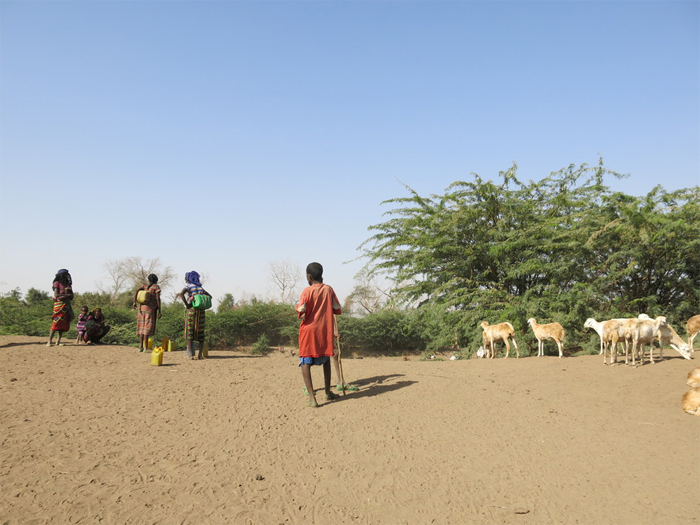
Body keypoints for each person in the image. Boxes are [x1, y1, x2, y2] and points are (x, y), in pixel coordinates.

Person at [296, 262, 341, 407]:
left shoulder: (307, 292)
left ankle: (312, 398)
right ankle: (328, 392)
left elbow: (301, 310)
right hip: (324, 331)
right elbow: (337, 307)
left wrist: (298, 309)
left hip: (308, 332)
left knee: (305, 362)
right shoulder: (329, 290)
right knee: (326, 358)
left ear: (308, 276)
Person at [177, 271, 211, 360]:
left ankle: (191, 355)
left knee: (190, 331)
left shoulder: (189, 286)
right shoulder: (200, 288)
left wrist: (187, 304)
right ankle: (200, 354)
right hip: (201, 312)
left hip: (192, 310)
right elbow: (210, 296)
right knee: (200, 332)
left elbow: (181, 294)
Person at [133, 274, 162, 352]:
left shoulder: (144, 286)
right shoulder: (156, 287)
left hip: (141, 309)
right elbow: (158, 299)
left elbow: (136, 290)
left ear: (148, 279)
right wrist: (159, 310)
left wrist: (134, 302)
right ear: (156, 280)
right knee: (146, 328)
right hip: (150, 310)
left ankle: (141, 347)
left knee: (141, 328)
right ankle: (146, 348)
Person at [47, 269, 74, 347]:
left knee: (63, 324)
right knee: (55, 322)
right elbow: (56, 295)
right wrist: (67, 295)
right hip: (59, 306)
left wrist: (69, 295)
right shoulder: (57, 283)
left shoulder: (68, 284)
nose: (66, 276)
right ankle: (49, 341)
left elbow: (72, 296)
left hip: (66, 306)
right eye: (65, 274)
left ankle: (58, 341)